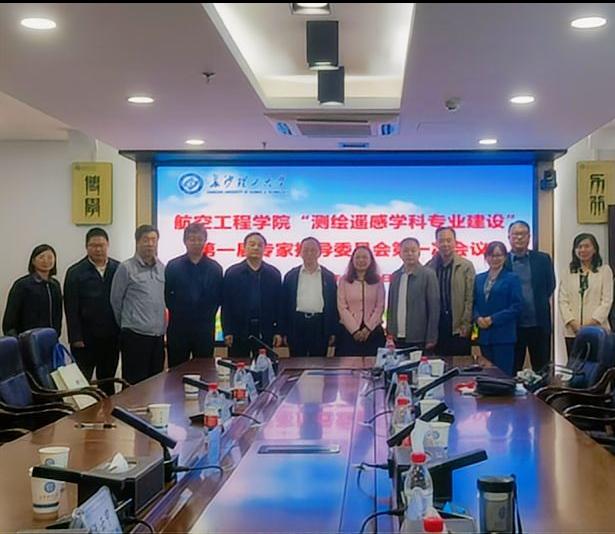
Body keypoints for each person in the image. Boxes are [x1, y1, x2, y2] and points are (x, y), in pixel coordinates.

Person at [63, 228, 120, 395]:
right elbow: (70, 307)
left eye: (101, 245)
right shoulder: (75, 272)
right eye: (93, 245)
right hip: (85, 338)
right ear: (86, 247)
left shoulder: (118, 268)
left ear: (108, 245)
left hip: (111, 336)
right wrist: (75, 337)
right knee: (83, 383)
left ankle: (108, 410)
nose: (98, 249)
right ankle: (84, 411)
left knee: (107, 380)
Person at [110, 225, 165, 385]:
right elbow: (115, 300)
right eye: (145, 240)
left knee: (155, 383)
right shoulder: (126, 268)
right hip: (135, 335)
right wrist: (127, 322)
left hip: (157, 336)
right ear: (137, 242)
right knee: (134, 384)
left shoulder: (162, 268)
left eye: (153, 240)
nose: (150, 244)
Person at [165, 223, 223, 367]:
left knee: (204, 369)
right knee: (177, 370)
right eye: (192, 239)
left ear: (205, 241)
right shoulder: (173, 266)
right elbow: (167, 295)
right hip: (178, 327)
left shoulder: (215, 268)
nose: (196, 243)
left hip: (204, 328)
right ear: (185, 241)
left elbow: (218, 297)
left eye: (199, 239)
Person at [505, 220, 556, 373]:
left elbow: (550, 285)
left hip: (539, 324)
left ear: (529, 237)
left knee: (542, 370)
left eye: (523, 234)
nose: (519, 237)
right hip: (512, 326)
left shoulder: (543, 259)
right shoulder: (502, 261)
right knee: (512, 370)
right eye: (515, 234)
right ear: (509, 237)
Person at [222, 232, 282, 359]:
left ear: (265, 249)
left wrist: (278, 331)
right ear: (244, 247)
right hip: (239, 330)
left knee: (264, 367)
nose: (256, 248)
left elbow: (279, 306)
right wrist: (227, 331)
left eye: (260, 245)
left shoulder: (274, 274)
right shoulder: (232, 273)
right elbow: (226, 305)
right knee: (238, 366)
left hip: (265, 330)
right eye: (252, 244)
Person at [558, 233, 613, 356]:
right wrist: (573, 323)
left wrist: (590, 324)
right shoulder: (568, 272)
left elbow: (607, 300)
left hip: (598, 329)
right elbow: (562, 300)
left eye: (587, 246)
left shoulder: (605, 271)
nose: (583, 250)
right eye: (579, 247)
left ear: (595, 249)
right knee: (576, 365)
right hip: (573, 331)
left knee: (598, 365)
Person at [281, 237, 337, 357]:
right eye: (306, 250)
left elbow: (333, 305)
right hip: (296, 324)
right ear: (300, 252)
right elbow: (284, 305)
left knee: (319, 363)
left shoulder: (328, 276)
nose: (309, 253)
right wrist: (284, 331)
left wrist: (332, 331)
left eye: (313, 250)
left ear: (319, 252)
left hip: (320, 325)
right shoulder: (291, 276)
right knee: (296, 362)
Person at [473, 241, 523, 376]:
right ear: (486, 257)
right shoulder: (479, 278)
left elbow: (516, 306)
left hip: (503, 335)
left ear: (505, 257)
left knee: (503, 376)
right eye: (491, 255)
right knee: (486, 375)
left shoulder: (512, 278)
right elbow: (474, 303)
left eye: (498, 255)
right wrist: (477, 318)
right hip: (484, 335)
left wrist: (493, 319)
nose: (495, 259)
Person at [425, 227, 475, 355]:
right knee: (438, 364)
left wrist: (466, 324)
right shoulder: (429, 267)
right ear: (436, 243)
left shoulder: (466, 266)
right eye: (441, 241)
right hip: (437, 327)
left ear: (455, 242)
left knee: (460, 364)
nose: (445, 244)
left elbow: (470, 298)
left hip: (458, 327)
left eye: (449, 240)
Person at [388, 238, 440, 350]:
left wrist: (431, 337)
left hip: (419, 337)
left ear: (419, 253)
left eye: (413, 250)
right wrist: (390, 333)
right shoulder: (395, 276)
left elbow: (434, 309)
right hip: (397, 337)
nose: (409, 254)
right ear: (400, 254)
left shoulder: (428, 275)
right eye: (406, 251)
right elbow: (391, 307)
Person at [3, 244, 62, 337]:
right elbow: (10, 319)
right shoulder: (22, 285)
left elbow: (58, 315)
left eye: (50, 257)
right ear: (33, 261)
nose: (46, 261)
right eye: (41, 257)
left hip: (50, 338)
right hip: (26, 339)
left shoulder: (55, 285)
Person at [336, 246, 386, 356]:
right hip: (348, 332)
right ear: (352, 260)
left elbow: (380, 307)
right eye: (357, 257)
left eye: (365, 257)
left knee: (373, 364)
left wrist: (368, 329)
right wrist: (354, 330)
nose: (361, 260)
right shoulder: (344, 280)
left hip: (373, 331)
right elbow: (342, 307)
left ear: (371, 260)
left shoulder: (378, 281)